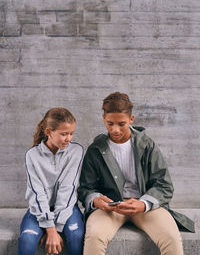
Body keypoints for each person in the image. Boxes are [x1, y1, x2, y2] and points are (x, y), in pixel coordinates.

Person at [78, 92, 195, 255]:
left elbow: (164, 184)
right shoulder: (95, 149)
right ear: (103, 118)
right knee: (95, 236)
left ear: (131, 120)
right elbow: (85, 188)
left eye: (121, 124)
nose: (115, 129)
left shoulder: (147, 145)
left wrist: (143, 204)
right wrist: (96, 199)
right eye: (110, 123)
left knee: (171, 238)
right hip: (109, 209)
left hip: (144, 205)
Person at [18, 107, 84, 255]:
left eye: (71, 133)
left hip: (68, 209)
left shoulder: (76, 151)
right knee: (27, 238)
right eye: (63, 134)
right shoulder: (32, 155)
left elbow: (67, 189)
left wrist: (57, 227)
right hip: (39, 209)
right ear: (48, 132)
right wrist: (50, 228)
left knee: (76, 235)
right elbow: (37, 193)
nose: (69, 138)